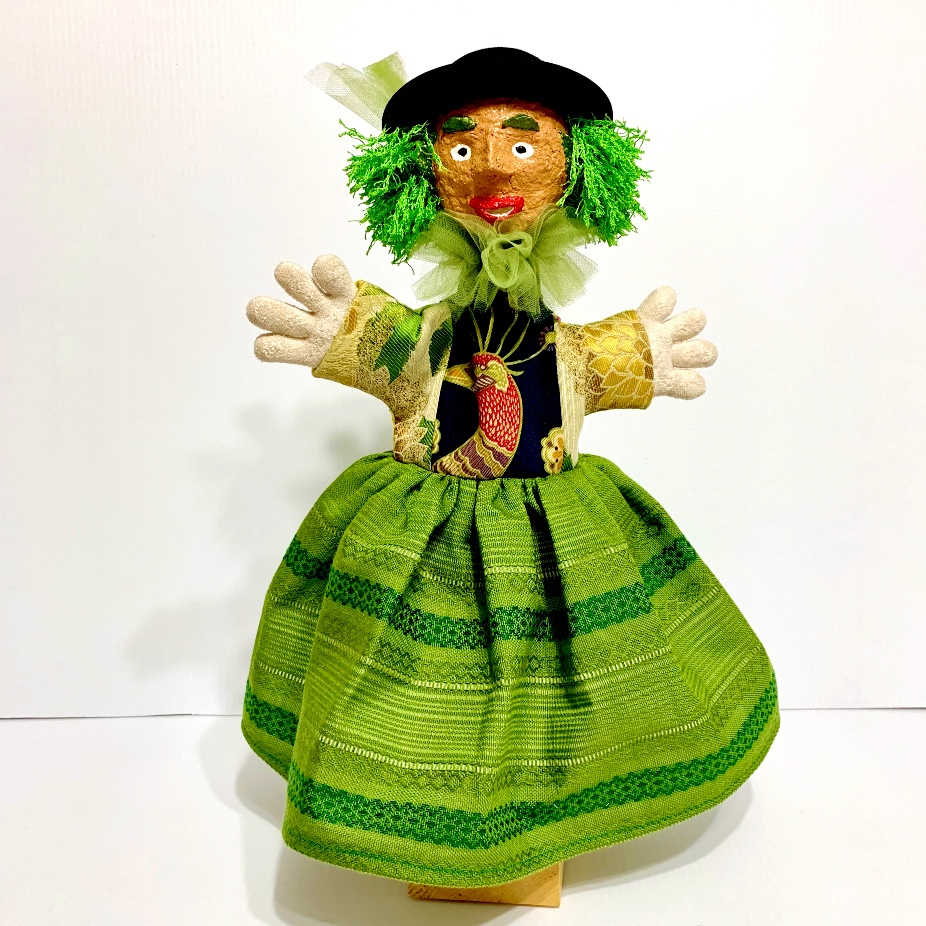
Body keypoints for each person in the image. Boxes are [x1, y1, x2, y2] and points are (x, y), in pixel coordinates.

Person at [242, 47, 778, 888]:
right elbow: (395, 345)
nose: (493, 163)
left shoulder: (563, 344)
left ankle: (544, 820)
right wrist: (342, 329)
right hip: (423, 530)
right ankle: (418, 820)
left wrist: (644, 350)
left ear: (574, 166)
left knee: (570, 667)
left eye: (523, 143)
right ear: (422, 171)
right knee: (416, 676)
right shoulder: (429, 338)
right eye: (461, 146)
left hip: (557, 523)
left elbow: (588, 361)